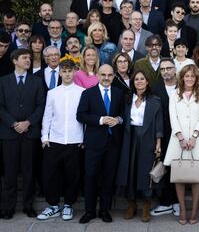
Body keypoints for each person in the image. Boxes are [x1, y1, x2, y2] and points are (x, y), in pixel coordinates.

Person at [0, 49, 45, 219]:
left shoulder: (37, 81)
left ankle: (28, 206)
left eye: (29, 58)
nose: (28, 60)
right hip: (9, 134)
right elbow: (1, 107)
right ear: (14, 60)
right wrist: (13, 123)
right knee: (10, 173)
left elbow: (41, 105)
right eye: (24, 58)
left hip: (30, 132)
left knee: (29, 172)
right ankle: (8, 208)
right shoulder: (3, 82)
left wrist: (28, 122)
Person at [77, 64, 125, 224]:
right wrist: (100, 120)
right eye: (103, 74)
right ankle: (89, 211)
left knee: (108, 177)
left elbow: (124, 115)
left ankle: (105, 210)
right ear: (97, 75)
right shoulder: (88, 93)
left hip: (113, 143)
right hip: (94, 143)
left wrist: (118, 120)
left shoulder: (119, 93)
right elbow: (81, 115)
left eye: (110, 75)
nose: (106, 78)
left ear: (113, 76)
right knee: (90, 177)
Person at [37, 59, 84, 221]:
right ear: (60, 73)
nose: (67, 74)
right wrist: (44, 137)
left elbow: (84, 117)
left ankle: (69, 205)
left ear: (75, 72)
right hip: (54, 140)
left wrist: (83, 137)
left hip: (74, 140)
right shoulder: (52, 93)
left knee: (73, 175)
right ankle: (53, 205)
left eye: (69, 71)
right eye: (64, 71)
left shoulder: (81, 92)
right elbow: (47, 116)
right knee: (51, 175)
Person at [164, 64, 199, 225]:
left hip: (197, 140)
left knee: (196, 177)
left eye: (193, 76)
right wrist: (180, 137)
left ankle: (195, 210)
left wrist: (194, 136)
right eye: (187, 76)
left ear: (197, 78)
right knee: (179, 176)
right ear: (182, 77)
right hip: (179, 140)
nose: (189, 79)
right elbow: (173, 117)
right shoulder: (175, 94)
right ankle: (183, 209)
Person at [116, 70, 163, 222]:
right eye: (136, 79)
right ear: (133, 82)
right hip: (130, 138)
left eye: (142, 79)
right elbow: (122, 118)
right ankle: (131, 204)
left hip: (148, 137)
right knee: (130, 170)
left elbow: (158, 122)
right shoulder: (127, 99)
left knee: (145, 171)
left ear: (147, 81)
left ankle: (146, 206)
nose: (139, 81)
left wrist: (158, 142)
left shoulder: (155, 100)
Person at [150, 59, 180, 217]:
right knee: (164, 168)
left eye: (169, 68)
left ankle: (176, 202)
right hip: (162, 134)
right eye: (163, 69)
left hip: (180, 134)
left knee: (178, 168)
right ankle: (166, 201)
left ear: (175, 69)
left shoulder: (183, 86)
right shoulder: (155, 89)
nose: (166, 71)